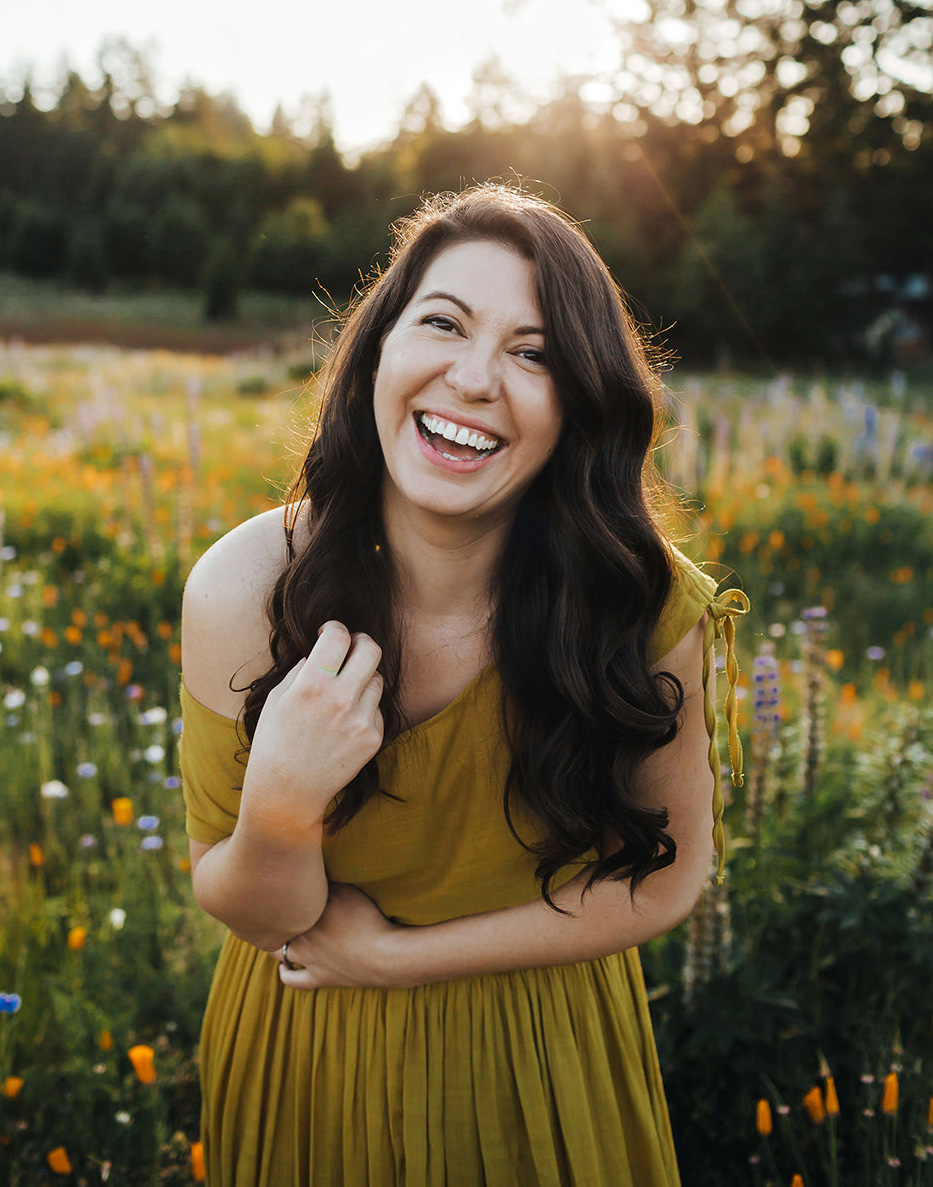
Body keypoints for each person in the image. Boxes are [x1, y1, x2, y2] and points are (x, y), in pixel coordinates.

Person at [179, 184, 749, 1186]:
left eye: (534, 353)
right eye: (442, 322)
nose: (476, 377)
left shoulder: (641, 607)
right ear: (377, 357)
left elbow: (665, 879)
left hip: (545, 1058)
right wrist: (280, 807)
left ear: (578, 403)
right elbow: (258, 910)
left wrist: (392, 960)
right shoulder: (244, 586)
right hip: (306, 1052)